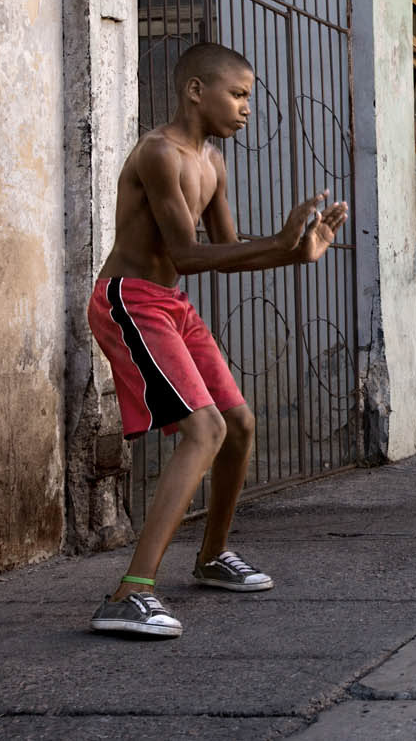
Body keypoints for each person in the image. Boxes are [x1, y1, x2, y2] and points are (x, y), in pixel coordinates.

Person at [86, 42, 349, 639]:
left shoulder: (212, 163)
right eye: (238, 94)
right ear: (195, 91)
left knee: (240, 422)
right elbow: (186, 254)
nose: (247, 108)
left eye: (249, 97)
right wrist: (281, 245)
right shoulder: (159, 155)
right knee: (203, 430)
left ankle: (211, 558)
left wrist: (295, 250)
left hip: (172, 304)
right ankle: (130, 593)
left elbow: (225, 252)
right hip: (129, 298)